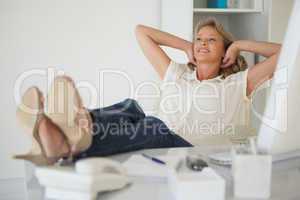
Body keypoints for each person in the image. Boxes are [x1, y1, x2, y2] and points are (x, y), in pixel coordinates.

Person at [14, 18, 281, 165]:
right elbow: (141, 32)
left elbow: (289, 52)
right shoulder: (178, 74)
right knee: (131, 108)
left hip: (193, 150)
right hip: (159, 133)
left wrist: (241, 44)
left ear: (225, 51)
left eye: (212, 40)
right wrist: (185, 45)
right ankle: (59, 135)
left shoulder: (238, 84)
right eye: (199, 39)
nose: (202, 44)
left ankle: (65, 142)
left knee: (155, 127)